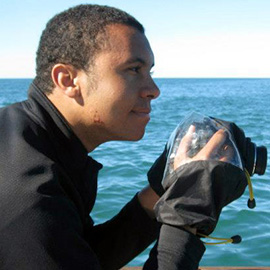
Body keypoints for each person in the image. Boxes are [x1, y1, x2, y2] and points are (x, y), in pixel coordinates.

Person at [0, 4, 247, 270]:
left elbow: (75, 255)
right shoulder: (29, 195)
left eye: (150, 72)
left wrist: (164, 190)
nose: (154, 90)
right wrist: (187, 216)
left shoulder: (27, 136)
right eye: (133, 70)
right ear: (68, 79)